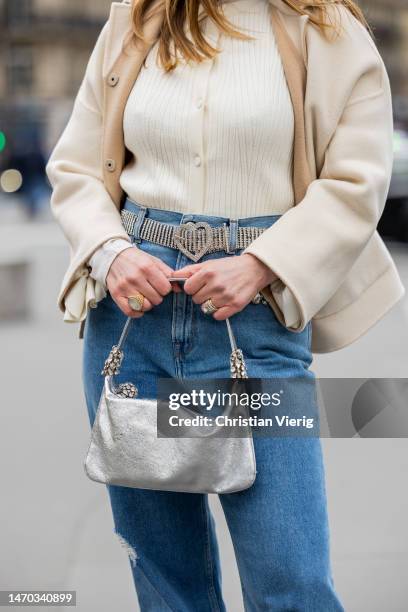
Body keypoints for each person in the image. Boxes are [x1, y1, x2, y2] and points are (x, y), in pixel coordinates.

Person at [46, 0, 405, 609]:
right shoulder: (135, 18)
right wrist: (111, 252)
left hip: (256, 316)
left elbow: (357, 179)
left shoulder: (326, 26)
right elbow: (77, 166)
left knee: (290, 581)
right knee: (167, 582)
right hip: (134, 317)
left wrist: (262, 263)